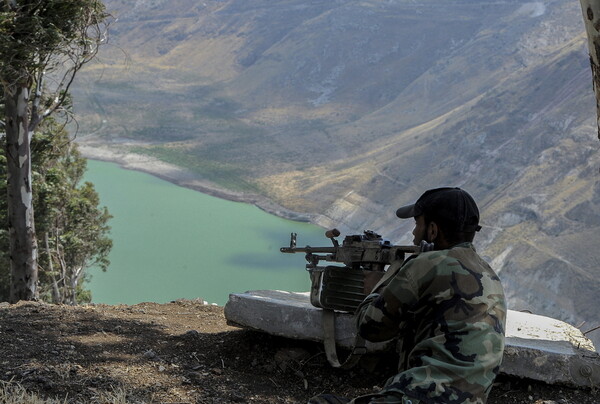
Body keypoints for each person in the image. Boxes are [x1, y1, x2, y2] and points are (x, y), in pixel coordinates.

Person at [309, 187, 507, 404]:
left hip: (421, 396)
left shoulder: (426, 263)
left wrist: (376, 286)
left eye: (417, 224)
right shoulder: (489, 273)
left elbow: (369, 328)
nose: (414, 233)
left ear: (432, 230)